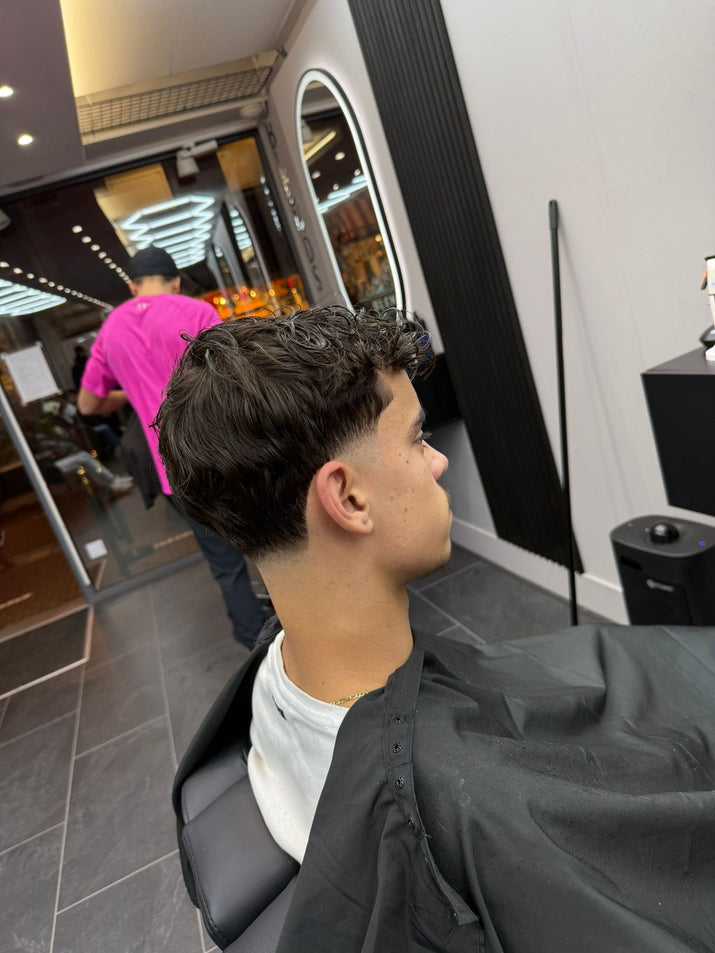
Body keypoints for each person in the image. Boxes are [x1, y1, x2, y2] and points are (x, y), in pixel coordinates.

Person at [158, 307, 715, 952]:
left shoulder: (274, 677)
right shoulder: (473, 804)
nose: (439, 462)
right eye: (418, 439)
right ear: (350, 499)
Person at [78, 245, 265, 648]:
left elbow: (88, 404)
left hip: (174, 470)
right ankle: (296, 620)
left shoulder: (111, 329)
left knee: (225, 563)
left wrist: (132, 392)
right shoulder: (196, 311)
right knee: (271, 540)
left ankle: (252, 638)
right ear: (176, 281)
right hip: (224, 449)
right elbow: (231, 375)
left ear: (132, 287)